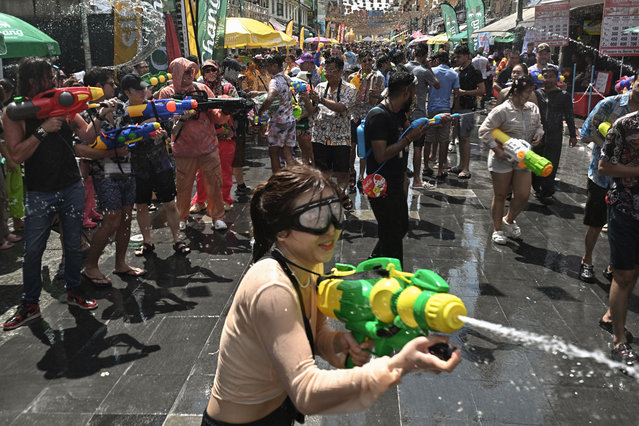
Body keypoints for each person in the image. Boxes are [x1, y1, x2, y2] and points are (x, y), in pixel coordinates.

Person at [203, 165, 461, 424]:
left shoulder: (309, 262)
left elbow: (314, 333)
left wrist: (338, 343)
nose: (331, 229)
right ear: (281, 230)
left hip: (279, 413)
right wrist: (397, 366)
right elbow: (306, 392)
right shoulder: (272, 286)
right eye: (314, 218)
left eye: (335, 212)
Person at [2, 58, 99, 330]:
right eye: (49, 75)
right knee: (33, 251)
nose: (55, 80)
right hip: (39, 191)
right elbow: (17, 154)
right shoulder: (16, 111)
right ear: (33, 79)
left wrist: (101, 115)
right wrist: (43, 130)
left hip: (70, 185)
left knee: (72, 244)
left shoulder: (61, 101)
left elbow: (89, 136)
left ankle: (75, 290)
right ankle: (29, 303)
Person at [365, 70, 450, 264]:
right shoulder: (379, 117)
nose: (414, 96)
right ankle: (392, 278)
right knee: (392, 234)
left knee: (400, 227)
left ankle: (375, 260)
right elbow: (381, 155)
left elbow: (411, 130)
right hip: (381, 185)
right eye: (413, 92)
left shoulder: (398, 112)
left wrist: (434, 122)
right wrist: (409, 139)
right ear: (405, 92)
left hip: (396, 181)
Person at [79, 68, 145, 286]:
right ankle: (91, 266)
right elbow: (80, 148)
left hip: (126, 168)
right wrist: (110, 153)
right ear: (97, 87)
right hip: (104, 172)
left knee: (126, 217)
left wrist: (146, 131)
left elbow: (130, 133)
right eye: (110, 83)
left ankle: (120, 263)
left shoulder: (120, 109)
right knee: (111, 220)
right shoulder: (85, 114)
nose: (115, 87)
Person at [578, 75, 639, 285]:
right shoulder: (609, 104)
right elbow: (586, 132)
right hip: (602, 175)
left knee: (622, 226)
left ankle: (613, 266)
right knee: (596, 223)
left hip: (630, 183)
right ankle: (587, 260)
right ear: (633, 83)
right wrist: (608, 147)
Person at [120, 74, 188, 254]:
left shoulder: (154, 107)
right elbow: (120, 139)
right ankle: (147, 242)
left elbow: (168, 132)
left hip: (160, 162)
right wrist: (142, 131)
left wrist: (178, 122)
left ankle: (177, 239)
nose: (144, 92)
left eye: (144, 88)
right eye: (138, 90)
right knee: (141, 205)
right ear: (127, 92)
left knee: (170, 203)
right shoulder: (122, 112)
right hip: (137, 165)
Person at [158, 58, 227, 232]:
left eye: (191, 71)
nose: (190, 75)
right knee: (183, 186)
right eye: (185, 71)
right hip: (184, 150)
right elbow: (164, 123)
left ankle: (217, 217)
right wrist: (182, 117)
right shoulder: (166, 93)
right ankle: (182, 216)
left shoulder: (202, 89)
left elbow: (216, 117)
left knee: (214, 183)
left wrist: (227, 109)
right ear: (176, 73)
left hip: (208, 147)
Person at [478, 75, 544, 245]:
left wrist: (538, 134)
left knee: (523, 195)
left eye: (531, 92)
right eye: (527, 92)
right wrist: (496, 149)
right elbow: (484, 130)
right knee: (500, 195)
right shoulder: (502, 110)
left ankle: (509, 219)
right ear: (516, 91)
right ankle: (497, 228)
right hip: (503, 157)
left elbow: (539, 126)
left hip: (523, 158)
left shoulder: (533, 108)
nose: (529, 96)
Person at [598, 109, 639, 368]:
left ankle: (613, 317)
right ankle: (618, 339)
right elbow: (604, 167)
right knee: (623, 274)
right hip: (625, 208)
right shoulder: (625, 125)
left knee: (634, 271)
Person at [190, 59, 239, 212]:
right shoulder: (197, 89)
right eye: (207, 70)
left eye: (213, 70)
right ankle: (200, 201)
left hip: (225, 135)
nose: (210, 73)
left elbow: (236, 107)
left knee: (224, 170)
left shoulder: (227, 87)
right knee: (202, 171)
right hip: (204, 136)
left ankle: (225, 199)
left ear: (218, 71)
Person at [309, 56, 357, 210]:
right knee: (322, 171)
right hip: (320, 136)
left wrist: (321, 100)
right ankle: (334, 195)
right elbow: (312, 110)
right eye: (326, 70)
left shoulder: (350, 89)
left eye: (332, 71)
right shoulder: (320, 87)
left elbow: (342, 107)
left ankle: (341, 191)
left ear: (341, 71)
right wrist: (305, 99)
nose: (328, 74)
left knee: (342, 171)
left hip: (340, 137)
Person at [532, 67, 578, 204]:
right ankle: (537, 188)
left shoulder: (563, 95)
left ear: (557, 78)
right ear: (542, 78)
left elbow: (569, 115)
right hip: (538, 133)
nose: (548, 80)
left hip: (555, 134)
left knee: (551, 163)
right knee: (536, 161)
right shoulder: (536, 93)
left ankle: (547, 192)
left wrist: (573, 135)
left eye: (551, 76)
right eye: (545, 76)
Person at [348, 50, 385, 189]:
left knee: (365, 148)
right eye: (365, 61)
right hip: (354, 114)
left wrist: (375, 92)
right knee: (352, 147)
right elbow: (350, 97)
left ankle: (361, 176)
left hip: (369, 115)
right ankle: (351, 172)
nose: (368, 63)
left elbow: (379, 98)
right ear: (359, 62)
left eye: (370, 60)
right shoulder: (353, 77)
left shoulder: (378, 77)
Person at [405, 43, 440, 189]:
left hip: (404, 113)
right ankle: (417, 180)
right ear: (425, 56)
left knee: (403, 146)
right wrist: (429, 68)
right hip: (419, 113)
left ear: (413, 54)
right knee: (418, 147)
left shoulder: (404, 67)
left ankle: (403, 173)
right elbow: (437, 84)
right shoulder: (424, 71)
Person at [257, 54, 298, 173]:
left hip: (278, 122)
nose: (267, 68)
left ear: (275, 65)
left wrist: (261, 110)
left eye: (268, 65)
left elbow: (270, 97)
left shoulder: (274, 81)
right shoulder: (286, 78)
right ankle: (293, 179)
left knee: (274, 152)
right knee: (287, 152)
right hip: (290, 120)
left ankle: (276, 179)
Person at [450, 45, 485, 180]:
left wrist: (465, 92)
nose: (457, 59)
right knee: (459, 137)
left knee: (465, 138)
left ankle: (466, 168)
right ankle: (460, 165)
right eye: (456, 57)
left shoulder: (474, 71)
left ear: (466, 56)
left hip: (468, 107)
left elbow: (481, 90)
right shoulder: (459, 70)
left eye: (459, 57)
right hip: (457, 107)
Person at [424, 51, 460, 181]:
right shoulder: (454, 74)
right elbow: (456, 94)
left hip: (432, 108)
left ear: (438, 59)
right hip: (446, 109)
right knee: (444, 139)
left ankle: (426, 167)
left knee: (428, 137)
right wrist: (455, 115)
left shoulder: (432, 71)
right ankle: (440, 170)